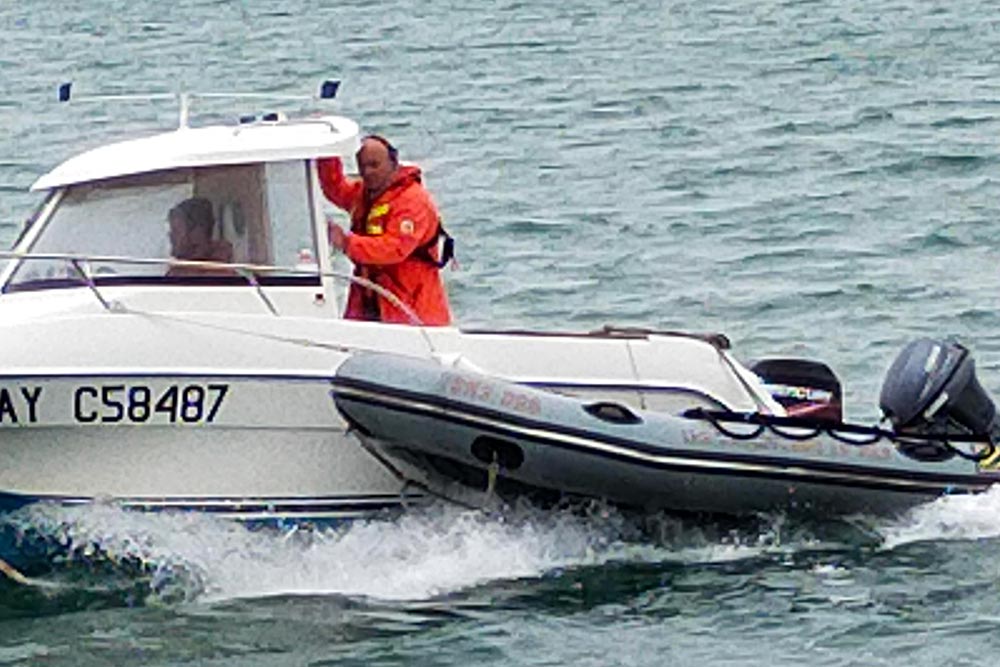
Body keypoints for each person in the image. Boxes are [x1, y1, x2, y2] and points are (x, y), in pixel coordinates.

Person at [316, 135, 452, 326]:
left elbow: (394, 248)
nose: (367, 172)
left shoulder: (412, 201)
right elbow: (335, 188)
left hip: (411, 304)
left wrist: (347, 242)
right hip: (371, 299)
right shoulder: (364, 194)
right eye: (362, 166)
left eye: (374, 165)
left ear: (393, 163)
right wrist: (327, 152)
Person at [166, 197, 234, 277]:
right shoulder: (176, 273)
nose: (170, 236)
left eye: (176, 231)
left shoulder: (221, 277)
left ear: (197, 233)